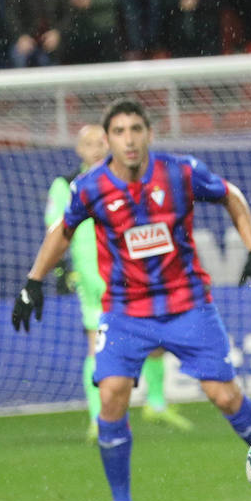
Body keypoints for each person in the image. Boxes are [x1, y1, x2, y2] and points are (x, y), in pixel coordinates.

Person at [12, 98, 251, 501]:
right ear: (108, 140)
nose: (129, 139)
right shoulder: (91, 187)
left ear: (149, 134)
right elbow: (62, 231)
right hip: (126, 311)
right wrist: (33, 281)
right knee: (111, 395)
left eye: (136, 129)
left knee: (225, 397)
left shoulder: (179, 172)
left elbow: (231, 196)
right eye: (120, 132)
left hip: (187, 304)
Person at [43, 123, 194, 443]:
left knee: (157, 338)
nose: (96, 148)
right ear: (78, 150)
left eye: (101, 142)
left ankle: (155, 403)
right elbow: (55, 230)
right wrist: (60, 270)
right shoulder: (66, 185)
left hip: (132, 269)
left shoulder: (128, 178)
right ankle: (99, 418)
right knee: (97, 345)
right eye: (88, 143)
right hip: (92, 273)